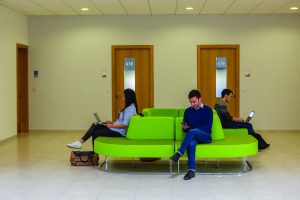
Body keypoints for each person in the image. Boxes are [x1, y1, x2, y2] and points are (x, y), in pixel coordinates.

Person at [66, 88, 138, 149]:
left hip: (119, 132)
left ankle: (86, 147)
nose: (123, 98)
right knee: (95, 125)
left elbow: (125, 125)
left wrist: (112, 125)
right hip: (115, 128)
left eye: (124, 96)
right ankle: (81, 143)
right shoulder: (129, 107)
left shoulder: (130, 109)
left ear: (128, 97)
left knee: (95, 131)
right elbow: (122, 121)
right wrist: (112, 122)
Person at [169, 90, 213, 180]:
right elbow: (186, 129)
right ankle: (191, 170)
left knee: (192, 132)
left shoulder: (208, 110)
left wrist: (194, 130)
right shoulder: (187, 111)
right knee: (191, 144)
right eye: (190, 102)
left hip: (206, 136)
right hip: (193, 136)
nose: (192, 104)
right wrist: (184, 128)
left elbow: (208, 127)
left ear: (200, 99)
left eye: (194, 101)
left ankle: (179, 153)